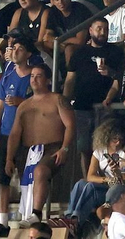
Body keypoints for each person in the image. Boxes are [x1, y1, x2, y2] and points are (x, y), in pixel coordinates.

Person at [5, 63, 74, 224]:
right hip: (28, 152)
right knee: (29, 179)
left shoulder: (57, 99)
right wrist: (9, 158)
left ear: (48, 80)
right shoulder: (23, 105)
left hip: (52, 148)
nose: (34, 79)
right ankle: (27, 215)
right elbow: (15, 134)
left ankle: (36, 213)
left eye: (39, 76)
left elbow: (70, 125)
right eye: (32, 76)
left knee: (41, 171)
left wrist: (65, 148)